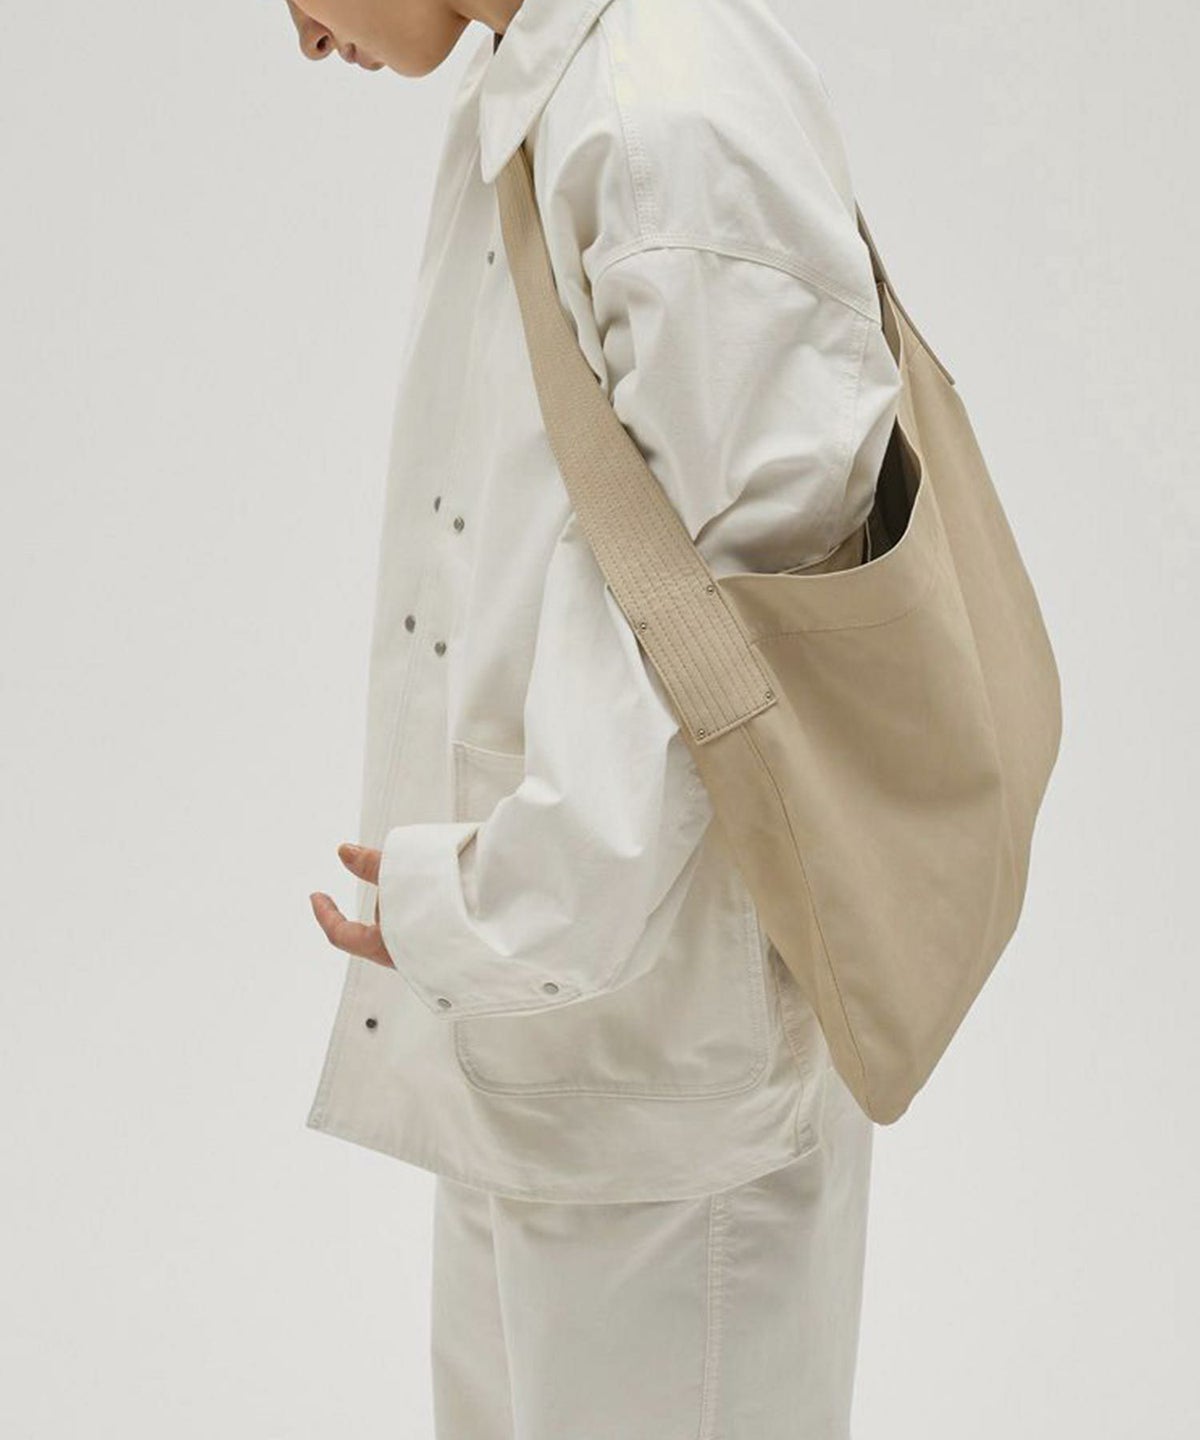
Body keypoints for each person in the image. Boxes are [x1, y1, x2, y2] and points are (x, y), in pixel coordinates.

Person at [291, 0, 902, 1434]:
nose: (302, 36)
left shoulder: (667, 119)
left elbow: (732, 637)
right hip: (554, 1037)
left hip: (658, 1081)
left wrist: (479, 908)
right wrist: (469, 918)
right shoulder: (554, 89)